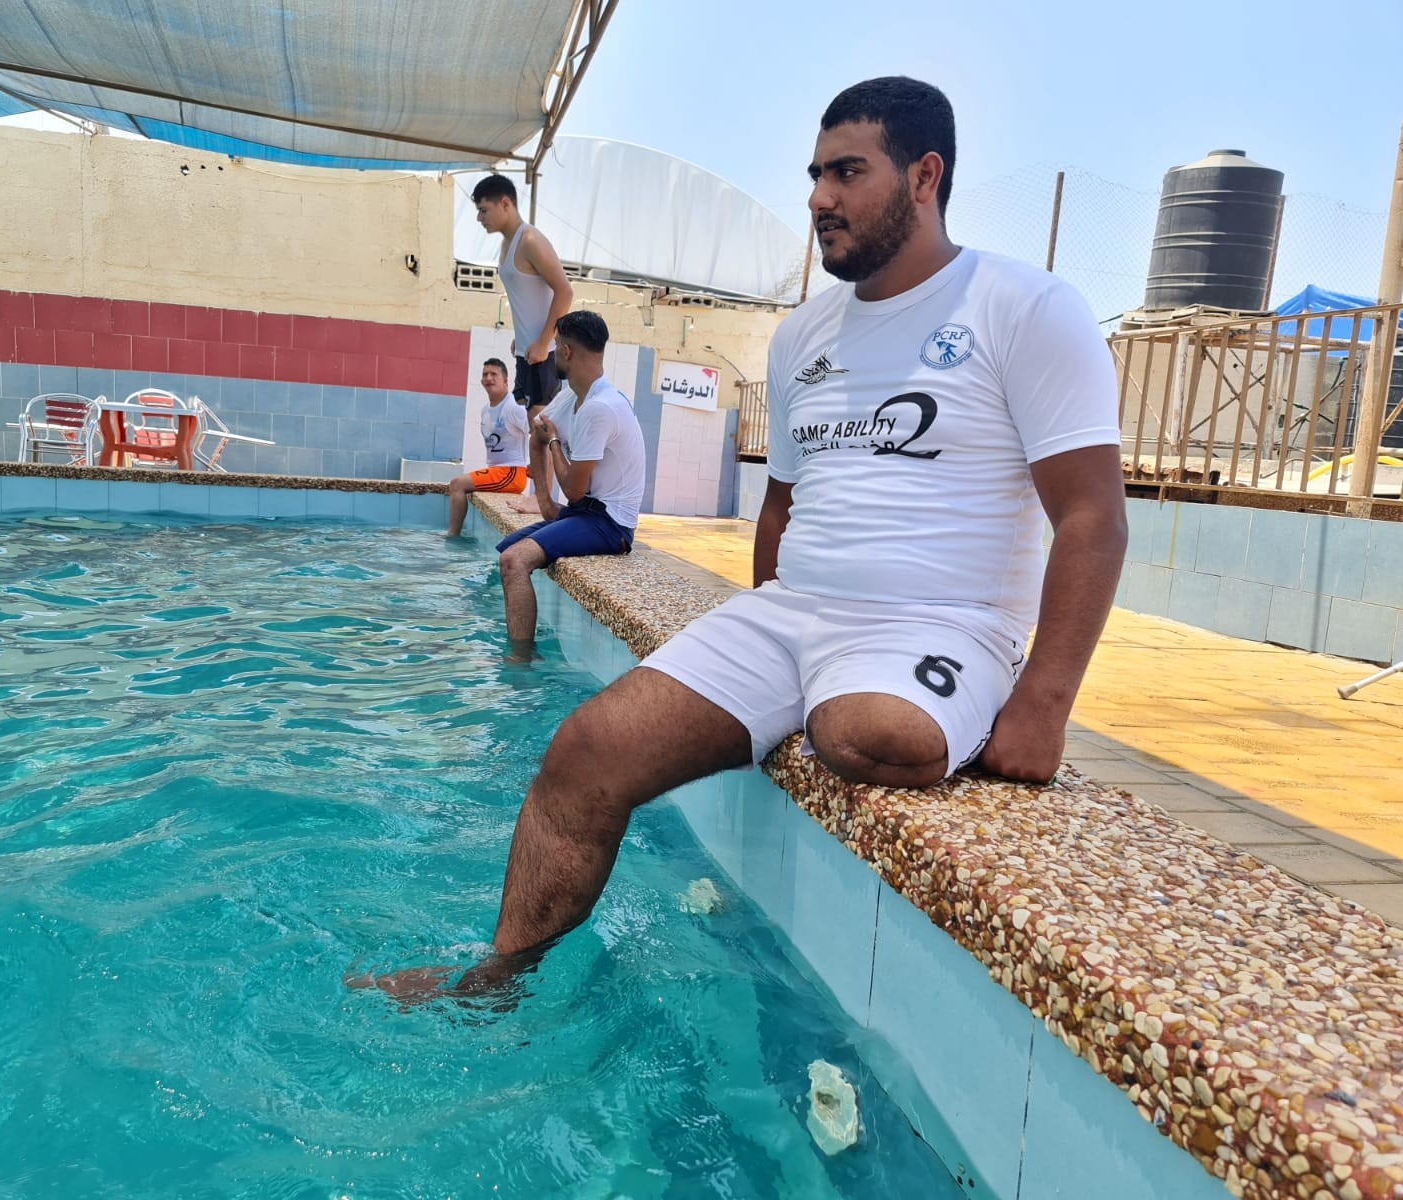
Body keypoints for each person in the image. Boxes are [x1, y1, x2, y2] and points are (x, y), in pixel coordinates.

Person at [375, 76, 1127, 1002]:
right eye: (814, 176)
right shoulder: (803, 334)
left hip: (943, 621)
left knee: (866, 733)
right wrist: (757, 636)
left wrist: (1044, 705)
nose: (819, 199)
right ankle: (495, 978)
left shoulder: (1025, 307)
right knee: (584, 752)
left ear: (925, 176)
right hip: (794, 614)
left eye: (847, 173)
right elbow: (779, 509)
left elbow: (1092, 516)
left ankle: (926, 694)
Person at [493, 310, 645, 662]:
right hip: (583, 514)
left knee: (515, 562)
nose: (551, 354)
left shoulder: (600, 407)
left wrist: (555, 443)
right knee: (506, 551)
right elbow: (536, 434)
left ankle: (521, 661)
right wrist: (544, 501)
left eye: (555, 345)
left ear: (566, 351)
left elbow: (574, 489)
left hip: (611, 525)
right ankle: (526, 636)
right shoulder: (571, 398)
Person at [471, 173, 573, 420]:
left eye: (484, 210)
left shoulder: (530, 240)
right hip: (525, 351)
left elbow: (565, 292)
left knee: (542, 428)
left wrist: (543, 342)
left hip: (545, 353)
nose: (479, 218)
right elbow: (529, 295)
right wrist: (524, 337)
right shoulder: (507, 244)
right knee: (529, 426)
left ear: (505, 203)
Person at [445, 358, 530, 538]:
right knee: (460, 483)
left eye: (494, 374)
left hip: (512, 473)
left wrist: (535, 468)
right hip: (498, 471)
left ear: (505, 380)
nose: (488, 378)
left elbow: (537, 432)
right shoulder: (485, 410)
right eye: (485, 374)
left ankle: (452, 535)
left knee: (457, 484)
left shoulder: (514, 407)